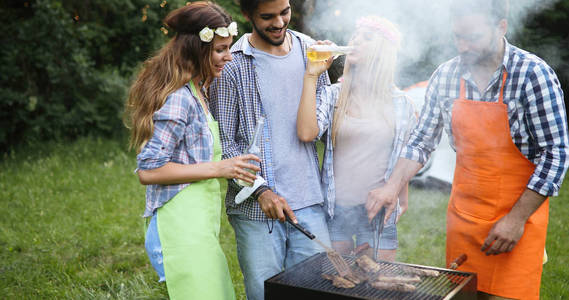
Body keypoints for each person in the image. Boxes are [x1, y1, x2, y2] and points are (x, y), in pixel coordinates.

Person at [365, 0, 568, 299]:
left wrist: (515, 221)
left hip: (517, 221)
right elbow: (422, 141)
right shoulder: (446, 76)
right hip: (464, 218)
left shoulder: (533, 75)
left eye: (472, 37)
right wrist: (391, 187)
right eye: (457, 37)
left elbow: (555, 154)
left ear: (501, 27)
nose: (462, 46)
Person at [124, 2, 260, 299]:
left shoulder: (200, 90)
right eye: (220, 50)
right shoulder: (178, 99)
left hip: (197, 225)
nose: (229, 57)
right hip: (179, 228)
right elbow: (149, 170)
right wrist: (220, 168)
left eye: (229, 47)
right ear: (197, 50)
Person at [209, 0, 332, 299]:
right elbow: (226, 144)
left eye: (285, 12)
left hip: (310, 203)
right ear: (247, 15)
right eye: (268, 17)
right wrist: (261, 190)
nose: (279, 22)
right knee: (265, 294)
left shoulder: (310, 51)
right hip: (255, 210)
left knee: (316, 291)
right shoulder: (232, 63)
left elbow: (323, 122)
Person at [296, 16, 416, 262]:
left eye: (366, 38)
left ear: (382, 51)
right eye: (355, 36)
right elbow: (307, 133)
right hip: (336, 211)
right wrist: (312, 76)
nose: (355, 41)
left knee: (378, 288)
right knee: (338, 284)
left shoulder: (401, 104)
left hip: (378, 213)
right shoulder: (334, 95)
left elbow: (405, 153)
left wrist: (402, 199)